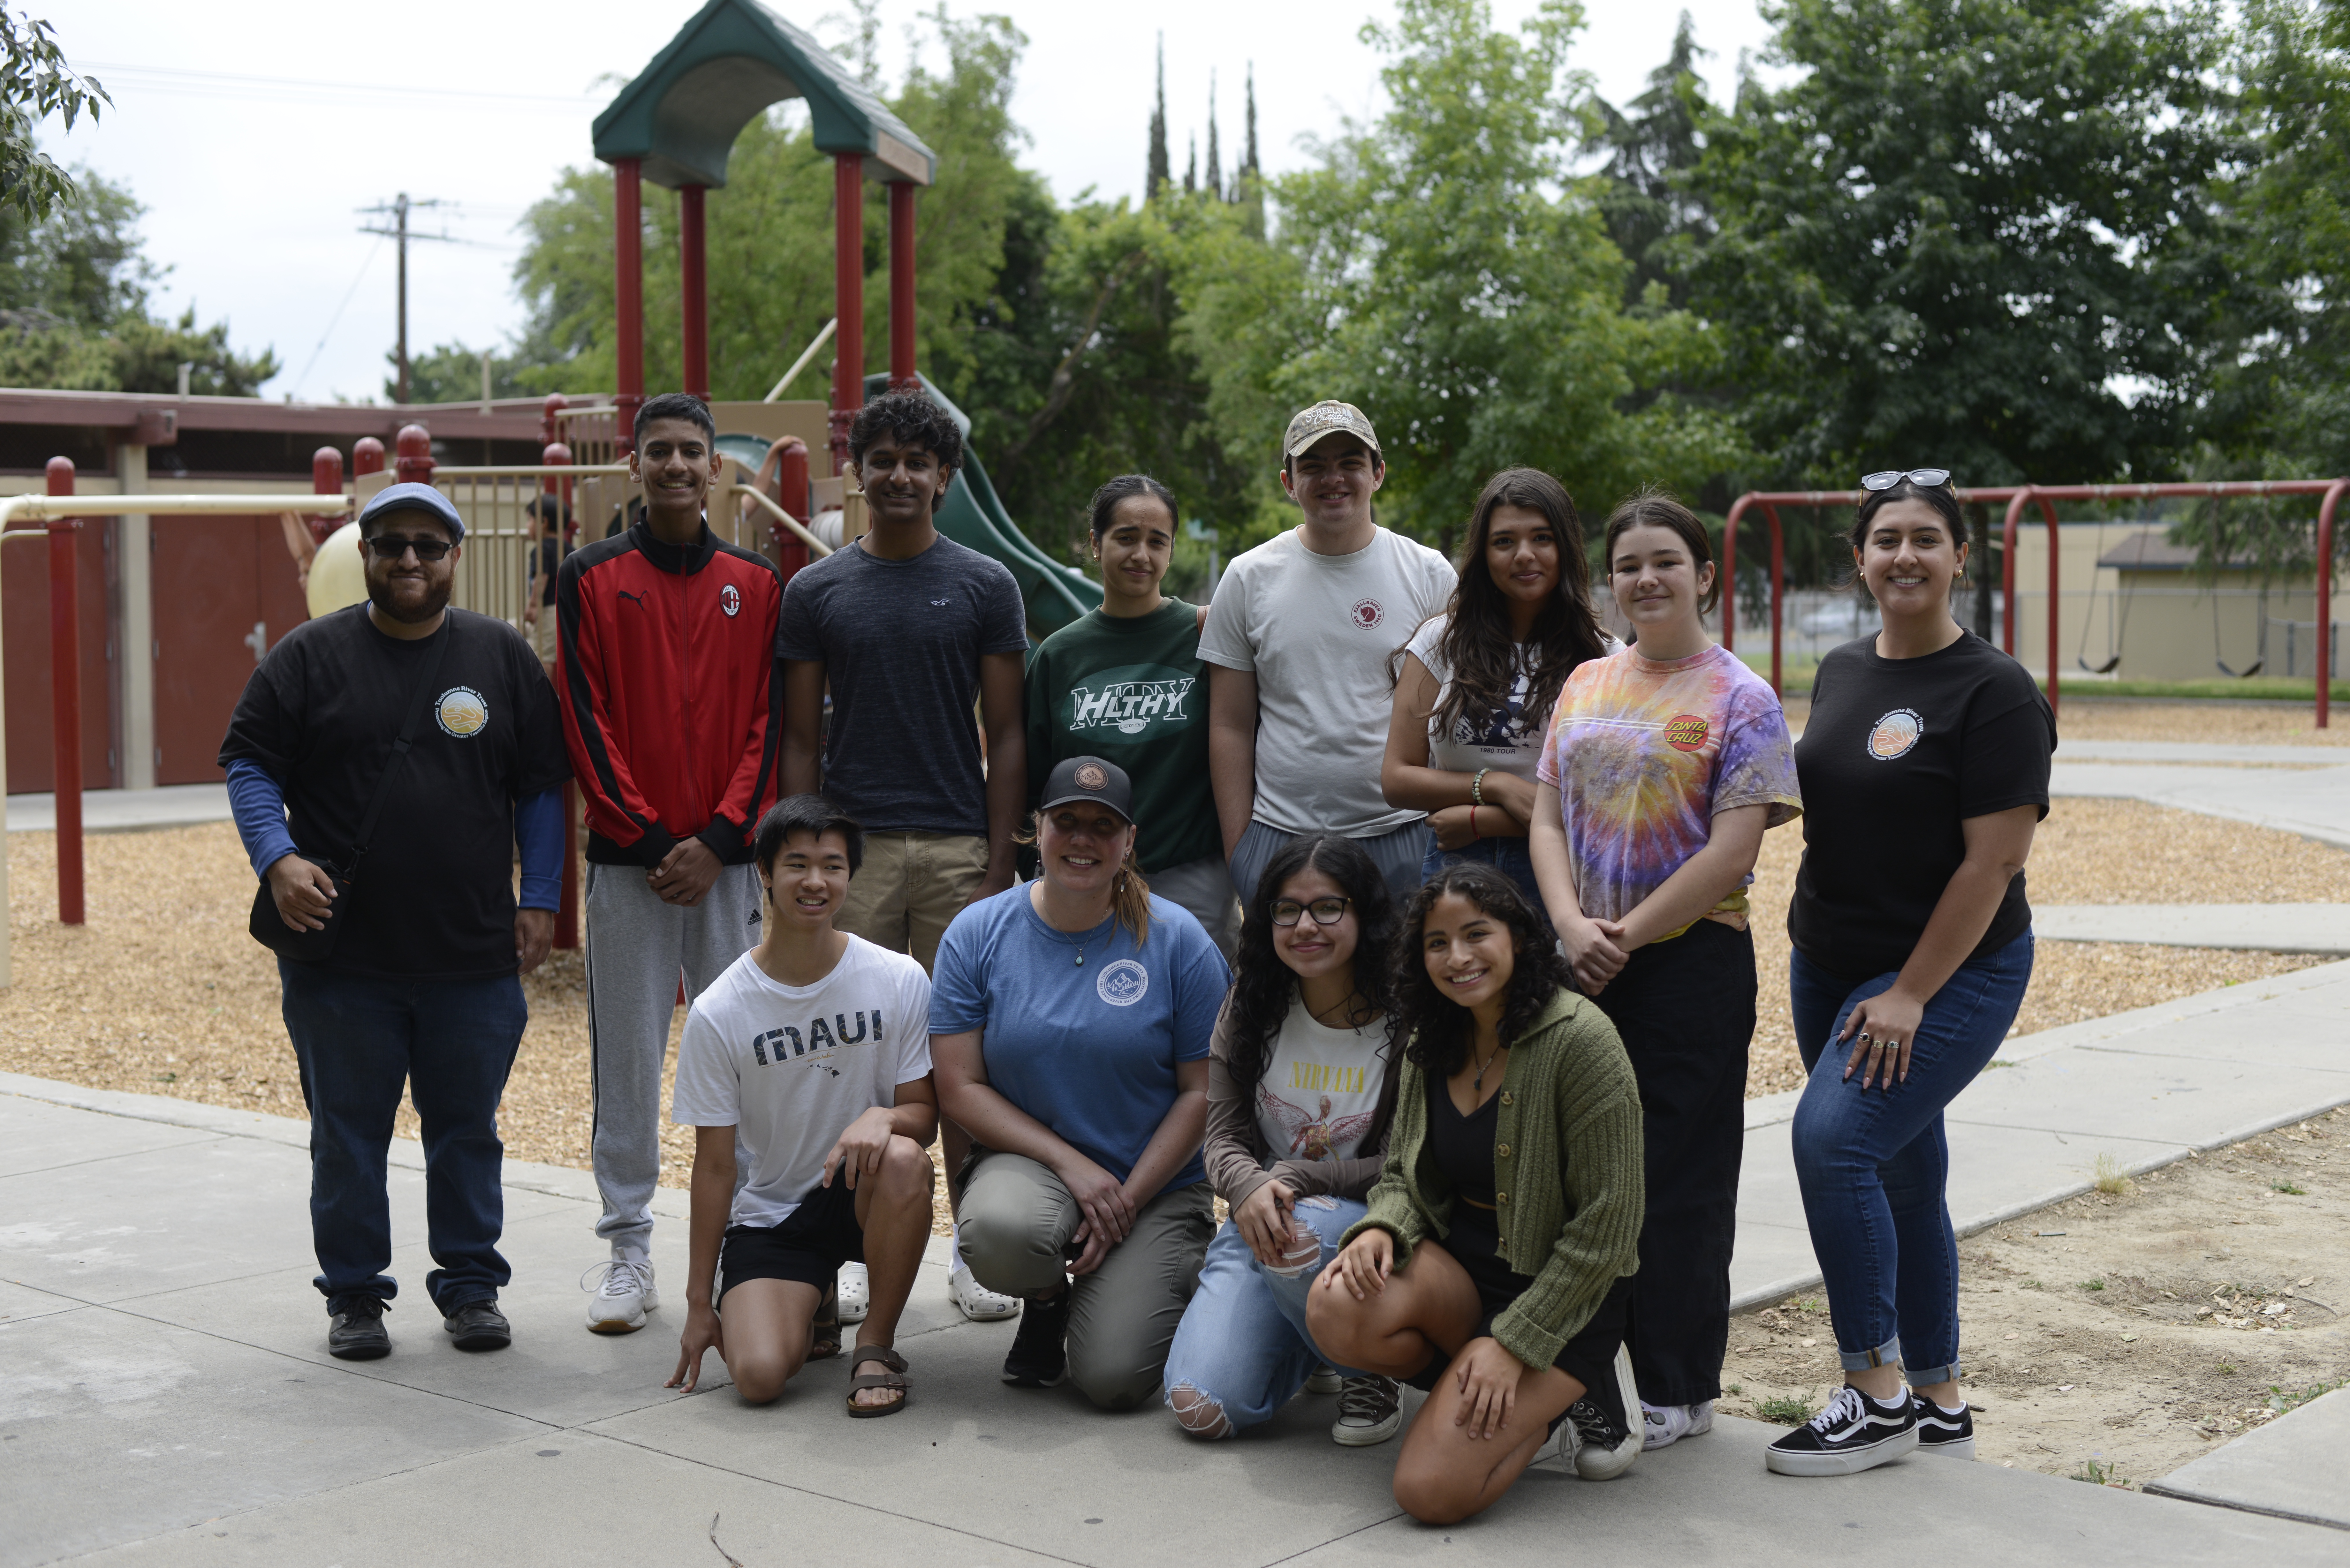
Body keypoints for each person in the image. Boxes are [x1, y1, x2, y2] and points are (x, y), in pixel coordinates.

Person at [221, 481, 570, 1361]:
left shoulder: (499, 658)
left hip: (472, 954)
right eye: (390, 544)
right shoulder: (307, 659)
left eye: (427, 544)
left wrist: (541, 899)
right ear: (365, 555)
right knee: (346, 1138)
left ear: (455, 556)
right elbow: (250, 763)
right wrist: (277, 857)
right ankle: (354, 1297)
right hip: (343, 962)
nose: (408, 559)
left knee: (468, 1133)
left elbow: (539, 788)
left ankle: (470, 1287)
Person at [1766, 469, 2053, 1477]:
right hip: (1828, 959)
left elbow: (1992, 863)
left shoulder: (1996, 691)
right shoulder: (1842, 669)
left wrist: (1908, 993)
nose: (1902, 555)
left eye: (1924, 538)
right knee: (1898, 1164)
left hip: (1947, 971)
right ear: (1858, 558)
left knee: (1831, 1140)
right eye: (1884, 538)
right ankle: (1936, 1392)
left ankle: (1873, 1386)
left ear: (1958, 557)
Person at [1527, 489, 1802, 1453]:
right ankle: (1582, 1367)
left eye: (1664, 562)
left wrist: (1624, 934)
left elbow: (1732, 853)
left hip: (1689, 964)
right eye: (1628, 564)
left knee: (1680, 1176)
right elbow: (1544, 816)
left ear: (1704, 576)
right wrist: (1567, 921)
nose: (1645, 578)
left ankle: (1677, 1383)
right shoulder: (1583, 683)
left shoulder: (1740, 697)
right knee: (1579, 1176)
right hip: (1579, 958)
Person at [779, 388, 1030, 1325]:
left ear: (943, 476)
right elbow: (799, 740)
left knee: (963, 1062)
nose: (897, 475)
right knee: (847, 1061)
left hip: (959, 849)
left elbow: (1005, 735)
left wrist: (1001, 861)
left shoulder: (983, 583)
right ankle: (848, 1247)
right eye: (880, 459)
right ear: (859, 469)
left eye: (915, 462)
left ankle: (974, 1243)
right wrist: (801, 856)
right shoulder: (816, 591)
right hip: (850, 854)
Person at [1307, 864, 1645, 1525]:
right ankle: (1486, 1389)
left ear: (1518, 937)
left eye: (1475, 933)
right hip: (1463, 1269)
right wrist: (1382, 1227)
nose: (1456, 957)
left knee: (1429, 1492)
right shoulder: (1431, 1039)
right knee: (1337, 1306)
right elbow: (1404, 1176)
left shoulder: (1582, 1040)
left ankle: (1586, 1385)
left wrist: (1514, 1341)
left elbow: (1610, 1226)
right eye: (1436, 942)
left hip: (1564, 1292)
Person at [557, 391, 786, 1335]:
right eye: (660, 452)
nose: (678, 466)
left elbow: (769, 725)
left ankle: (748, 1238)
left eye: (693, 451)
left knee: (742, 1054)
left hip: (728, 867)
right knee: (628, 1056)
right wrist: (654, 839)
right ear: (633, 465)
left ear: (716, 469)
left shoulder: (759, 583)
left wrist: (726, 837)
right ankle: (626, 1246)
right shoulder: (589, 576)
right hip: (630, 870)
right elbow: (584, 718)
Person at [932, 757, 1229, 1410]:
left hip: (1153, 1182)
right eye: (1065, 820)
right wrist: (1073, 1166)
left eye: (1103, 825)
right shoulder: (977, 932)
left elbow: (1201, 1092)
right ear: (1035, 829)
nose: (1083, 839)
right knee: (1001, 1232)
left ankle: (1170, 1273)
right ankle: (1046, 1298)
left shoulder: (1179, 940)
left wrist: (1124, 1197)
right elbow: (958, 1088)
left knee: (1113, 1380)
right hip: (1035, 1167)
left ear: (1130, 842)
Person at [665, 795, 938, 1416]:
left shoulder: (897, 978)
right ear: (762, 871)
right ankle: (810, 1296)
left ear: (849, 874)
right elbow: (713, 1167)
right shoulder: (720, 1009)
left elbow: (922, 1116)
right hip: (775, 1212)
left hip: (861, 1186)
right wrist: (698, 1303)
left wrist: (885, 1116)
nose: (815, 881)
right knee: (759, 1377)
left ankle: (874, 1342)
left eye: (833, 865)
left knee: (901, 1158)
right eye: (796, 863)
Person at [1163, 835, 1405, 1445]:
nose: (1306, 926)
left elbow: (1408, 1161)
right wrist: (1248, 1185)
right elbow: (1221, 1136)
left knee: (1303, 1232)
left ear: (1365, 914)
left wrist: (1296, 1177)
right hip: (1266, 1218)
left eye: (1329, 907)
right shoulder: (1253, 1003)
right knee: (1201, 1407)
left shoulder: (1408, 1015)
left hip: (1369, 1226)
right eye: (1287, 909)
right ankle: (1310, 1338)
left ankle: (1369, 1365)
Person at [1202, 400, 1456, 911]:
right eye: (1313, 466)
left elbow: (1455, 714)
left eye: (1350, 463)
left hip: (1405, 833)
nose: (1332, 478)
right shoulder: (1249, 577)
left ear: (1378, 473)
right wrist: (1242, 851)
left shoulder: (1430, 574)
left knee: (1406, 992)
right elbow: (1229, 723)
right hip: (1283, 837)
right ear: (1288, 483)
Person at [1382, 468, 1614, 911]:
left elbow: (1607, 800)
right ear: (1484, 555)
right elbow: (1396, 778)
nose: (1524, 555)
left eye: (1542, 538)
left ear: (1565, 547)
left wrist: (1482, 821)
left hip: (1560, 873)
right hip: (1457, 869)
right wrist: (1496, 786)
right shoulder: (1439, 642)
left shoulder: (1603, 656)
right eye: (1504, 541)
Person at [1026, 475, 1234, 957]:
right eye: (1126, 538)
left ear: (1171, 551)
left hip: (1190, 876)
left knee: (1198, 1016)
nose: (1142, 554)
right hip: (1083, 870)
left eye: (1156, 541)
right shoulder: (1060, 655)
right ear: (1096, 544)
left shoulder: (1208, 637)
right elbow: (1034, 779)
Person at [522, 492, 568, 674]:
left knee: (543, 655)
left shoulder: (541, 549)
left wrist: (533, 605)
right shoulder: (568, 548)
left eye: (529, 520)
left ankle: (543, 697)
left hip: (548, 609)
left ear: (543, 522)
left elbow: (541, 578)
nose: (528, 526)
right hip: (563, 607)